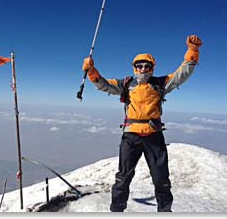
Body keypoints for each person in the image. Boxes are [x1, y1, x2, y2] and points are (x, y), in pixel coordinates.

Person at [82, 35, 202, 212]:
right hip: (131, 135)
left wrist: (192, 51)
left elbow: (181, 74)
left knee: (161, 179)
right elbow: (104, 84)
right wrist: (91, 71)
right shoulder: (126, 84)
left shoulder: (160, 83)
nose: (143, 68)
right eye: (140, 66)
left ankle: (164, 211)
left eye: (147, 66)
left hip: (153, 135)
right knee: (123, 178)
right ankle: (116, 211)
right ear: (134, 68)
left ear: (152, 68)